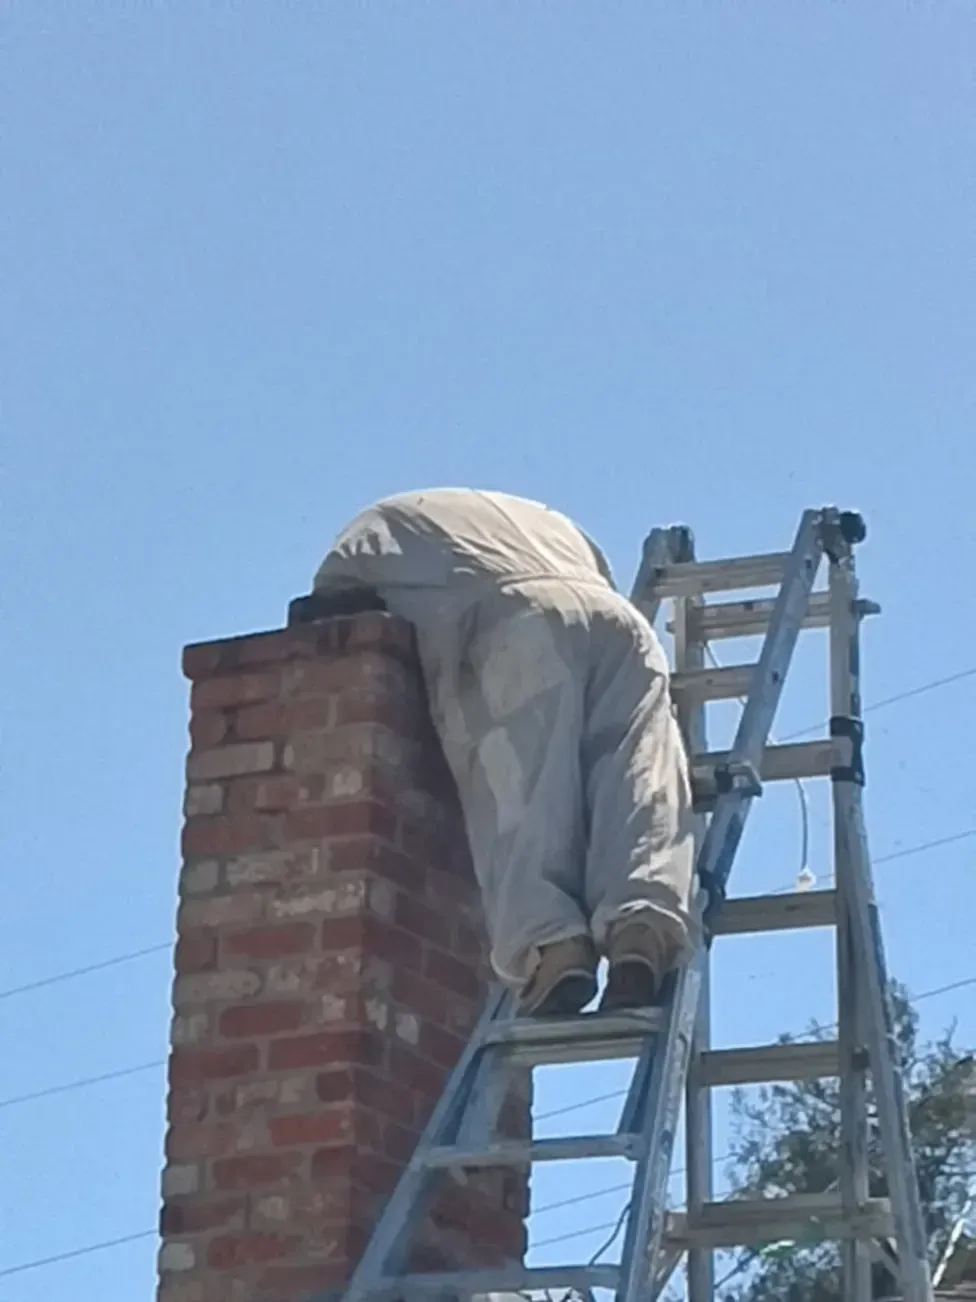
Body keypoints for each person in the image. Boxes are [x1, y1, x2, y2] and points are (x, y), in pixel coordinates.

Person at [303, 488, 697, 1017]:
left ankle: (552, 949)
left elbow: (331, 628)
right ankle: (640, 932)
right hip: (619, 622)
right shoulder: (543, 521)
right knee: (639, 776)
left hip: (517, 615)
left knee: (520, 791)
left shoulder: (365, 539)